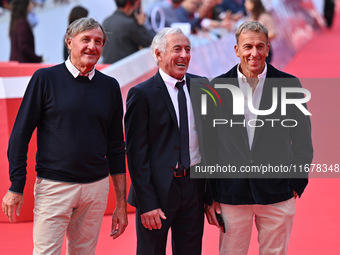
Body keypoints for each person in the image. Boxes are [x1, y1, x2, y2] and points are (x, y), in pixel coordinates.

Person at [2, 17, 128, 254]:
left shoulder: (110, 86)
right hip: (54, 187)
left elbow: (116, 146)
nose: (92, 46)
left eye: (98, 41)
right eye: (86, 40)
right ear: (69, 42)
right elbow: (20, 134)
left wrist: (121, 203)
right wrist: (16, 185)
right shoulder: (45, 79)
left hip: (95, 189)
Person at [205, 21, 313, 255]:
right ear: (236, 50)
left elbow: (303, 139)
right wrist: (210, 194)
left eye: (259, 46)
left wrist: (297, 181)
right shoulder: (218, 87)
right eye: (247, 47)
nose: (254, 53)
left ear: (267, 48)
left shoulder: (289, 85)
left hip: (277, 193)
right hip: (231, 193)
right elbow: (209, 145)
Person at [125, 27, 206, 255]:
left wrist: (210, 195)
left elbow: (211, 144)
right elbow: (136, 155)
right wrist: (147, 202)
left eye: (188, 49)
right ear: (158, 54)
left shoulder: (202, 87)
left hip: (194, 187)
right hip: (158, 191)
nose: (184, 55)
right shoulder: (142, 94)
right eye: (177, 49)